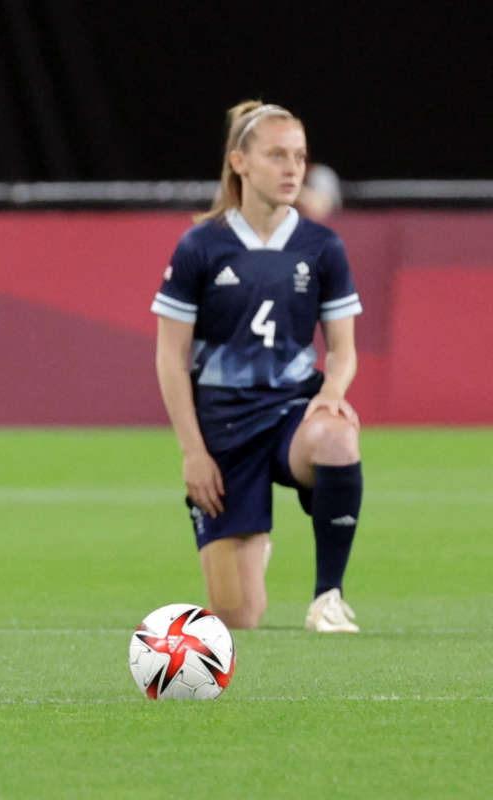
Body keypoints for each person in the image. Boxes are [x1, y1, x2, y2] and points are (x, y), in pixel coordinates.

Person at [151, 101, 364, 633]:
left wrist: (332, 390)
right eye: (277, 155)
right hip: (224, 433)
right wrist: (193, 453)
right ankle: (252, 541)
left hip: (292, 414)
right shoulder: (202, 245)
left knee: (337, 437)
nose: (293, 168)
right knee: (237, 616)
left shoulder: (322, 245)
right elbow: (170, 359)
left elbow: (342, 349)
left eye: (300, 156)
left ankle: (328, 596)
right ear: (240, 162)